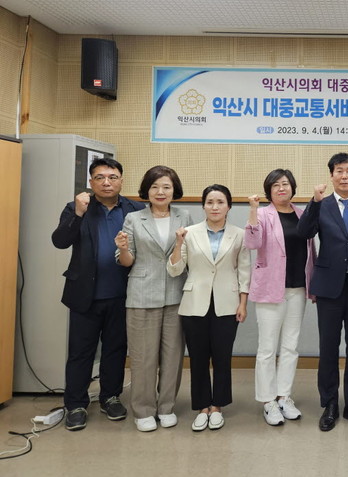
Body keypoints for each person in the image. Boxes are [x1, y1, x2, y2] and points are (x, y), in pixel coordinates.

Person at [51, 158, 144, 431]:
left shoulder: (136, 209)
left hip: (123, 294)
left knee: (116, 350)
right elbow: (60, 241)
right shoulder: (76, 207)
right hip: (85, 294)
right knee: (81, 352)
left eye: (112, 177)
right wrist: (78, 214)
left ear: (121, 181)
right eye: (100, 177)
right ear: (90, 182)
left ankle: (110, 398)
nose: (107, 182)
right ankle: (76, 405)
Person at [297, 152, 348, 431]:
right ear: (331, 175)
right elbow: (304, 232)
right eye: (339, 171)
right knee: (328, 347)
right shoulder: (321, 205)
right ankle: (330, 403)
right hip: (329, 286)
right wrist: (314, 201)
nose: (344, 176)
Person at [167, 184, 250, 432]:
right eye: (210, 202)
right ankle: (202, 407)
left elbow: (244, 271)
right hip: (194, 303)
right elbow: (174, 270)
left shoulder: (239, 234)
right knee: (198, 357)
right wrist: (178, 243)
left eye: (220, 202)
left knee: (223, 357)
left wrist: (243, 303)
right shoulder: (189, 233)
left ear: (229, 206)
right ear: (203, 205)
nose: (215, 207)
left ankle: (218, 407)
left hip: (228, 303)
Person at [115, 165, 192, 432]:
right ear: (146, 190)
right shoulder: (134, 219)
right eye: (155, 186)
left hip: (176, 295)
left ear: (174, 190)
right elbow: (127, 261)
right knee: (143, 358)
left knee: (173, 357)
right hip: (142, 295)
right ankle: (144, 410)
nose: (160, 192)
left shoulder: (185, 216)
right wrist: (123, 249)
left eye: (166, 187)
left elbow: (189, 254)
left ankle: (166, 406)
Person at [244, 169, 315, 427]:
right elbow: (252, 243)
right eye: (275, 185)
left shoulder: (302, 214)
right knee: (267, 348)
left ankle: (284, 396)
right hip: (270, 288)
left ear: (292, 187)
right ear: (269, 191)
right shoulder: (263, 214)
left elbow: (311, 250)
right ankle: (268, 401)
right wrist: (253, 211)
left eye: (285, 184)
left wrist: (313, 284)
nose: (281, 188)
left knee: (290, 346)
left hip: (298, 288)